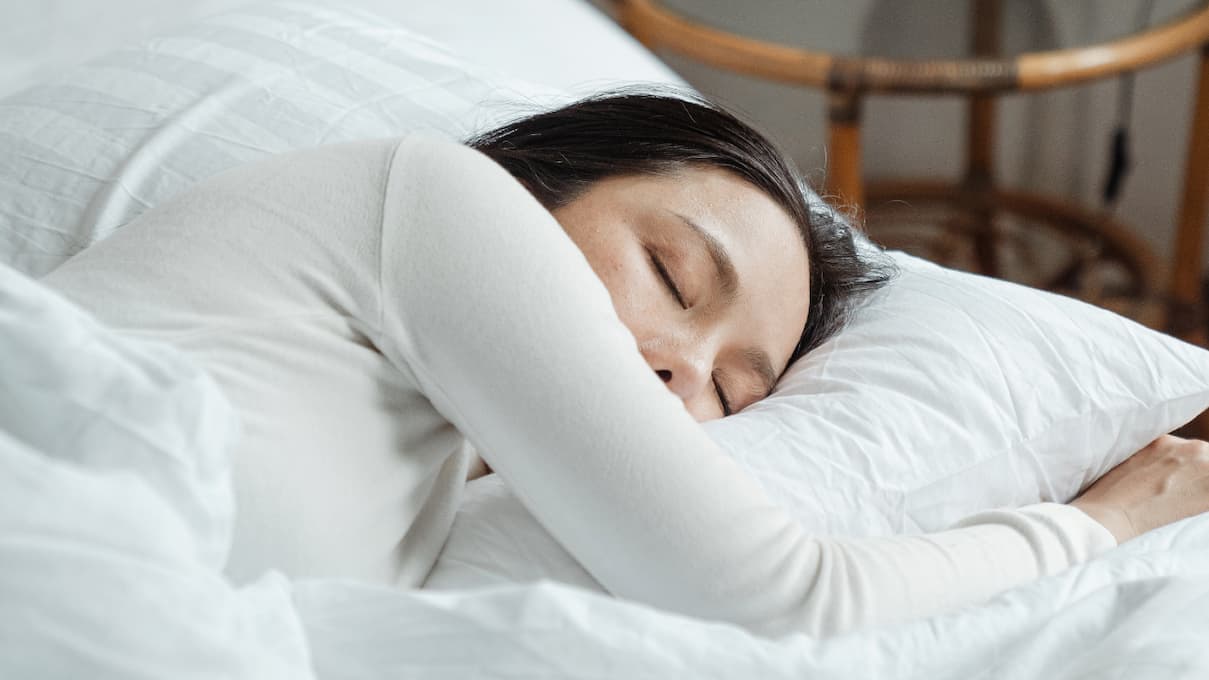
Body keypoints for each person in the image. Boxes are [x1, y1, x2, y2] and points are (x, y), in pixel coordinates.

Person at [42, 92, 1209, 637]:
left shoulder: (434, 461)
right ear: (534, 180)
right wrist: (1097, 524)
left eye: (734, 391)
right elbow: (788, 592)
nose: (676, 374)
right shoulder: (439, 198)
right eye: (668, 273)